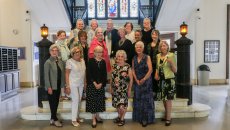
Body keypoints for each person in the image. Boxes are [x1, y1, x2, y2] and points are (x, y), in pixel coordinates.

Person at [132, 41, 155, 127]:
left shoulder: (147, 57)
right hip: (137, 81)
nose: (138, 48)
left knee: (146, 101)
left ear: (143, 48)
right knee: (138, 100)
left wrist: (144, 79)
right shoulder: (134, 58)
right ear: (135, 48)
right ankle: (139, 118)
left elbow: (150, 70)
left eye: (140, 47)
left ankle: (146, 119)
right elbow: (133, 70)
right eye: (137, 47)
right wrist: (136, 80)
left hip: (146, 82)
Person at [155, 41, 177, 126]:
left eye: (164, 45)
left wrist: (171, 62)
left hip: (169, 80)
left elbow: (175, 70)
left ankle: (168, 118)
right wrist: (156, 74)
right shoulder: (158, 56)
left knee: (168, 100)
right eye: (161, 46)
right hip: (161, 80)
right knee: (164, 99)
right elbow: (157, 67)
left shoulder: (172, 55)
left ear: (167, 47)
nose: (163, 47)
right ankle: (166, 115)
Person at [44, 44, 65, 127]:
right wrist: (49, 87)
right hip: (51, 86)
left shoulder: (60, 61)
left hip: (58, 85)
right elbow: (46, 76)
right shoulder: (48, 62)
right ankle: (55, 119)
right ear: (50, 52)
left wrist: (63, 85)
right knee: (52, 103)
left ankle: (52, 118)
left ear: (58, 52)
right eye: (53, 50)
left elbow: (62, 74)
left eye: (56, 51)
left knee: (56, 103)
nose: (54, 52)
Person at [86, 46, 107, 128]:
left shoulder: (103, 61)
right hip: (92, 85)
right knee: (93, 102)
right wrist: (94, 83)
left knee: (99, 101)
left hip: (100, 85)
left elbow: (104, 74)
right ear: (94, 53)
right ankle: (93, 119)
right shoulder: (90, 61)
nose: (99, 54)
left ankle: (98, 116)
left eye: (101, 52)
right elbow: (89, 73)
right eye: (97, 52)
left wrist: (101, 83)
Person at [110, 50, 133, 126]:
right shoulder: (114, 66)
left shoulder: (128, 66)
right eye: (118, 56)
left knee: (122, 106)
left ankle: (122, 118)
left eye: (122, 56)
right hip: (115, 89)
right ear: (116, 57)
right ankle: (119, 117)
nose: (120, 58)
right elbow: (111, 78)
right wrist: (111, 87)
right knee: (117, 105)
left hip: (124, 90)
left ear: (125, 57)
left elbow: (131, 79)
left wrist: (129, 89)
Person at [65, 46, 86, 127]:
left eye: (79, 52)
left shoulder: (83, 61)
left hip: (81, 83)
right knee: (76, 100)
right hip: (72, 83)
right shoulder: (69, 61)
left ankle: (77, 117)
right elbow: (66, 74)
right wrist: (67, 86)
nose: (77, 53)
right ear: (72, 54)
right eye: (75, 52)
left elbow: (84, 72)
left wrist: (85, 83)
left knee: (79, 100)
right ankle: (73, 120)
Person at [146, 29, 161, 99]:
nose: (154, 36)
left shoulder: (160, 44)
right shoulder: (148, 44)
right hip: (149, 65)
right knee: (150, 79)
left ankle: (157, 95)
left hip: (157, 65)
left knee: (156, 80)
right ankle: (151, 94)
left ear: (158, 35)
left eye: (155, 34)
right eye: (153, 34)